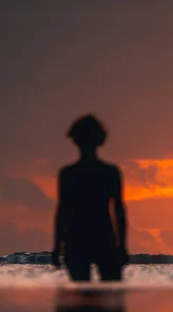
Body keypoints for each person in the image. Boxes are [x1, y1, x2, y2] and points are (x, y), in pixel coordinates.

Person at [52, 114, 128, 281]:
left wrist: (57, 246)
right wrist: (122, 246)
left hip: (78, 239)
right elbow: (119, 210)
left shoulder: (68, 174)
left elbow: (62, 211)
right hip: (102, 237)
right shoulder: (109, 172)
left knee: (78, 299)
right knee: (112, 298)